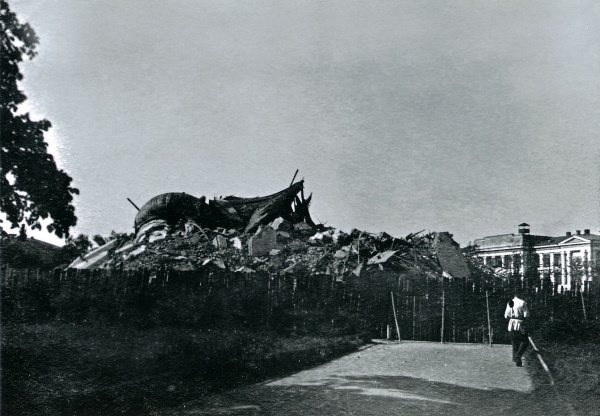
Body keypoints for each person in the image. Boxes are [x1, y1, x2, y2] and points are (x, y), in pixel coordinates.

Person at [504, 290, 530, 367]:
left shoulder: (510, 302)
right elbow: (526, 315)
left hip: (511, 323)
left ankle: (516, 360)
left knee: (515, 341)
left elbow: (506, 315)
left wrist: (512, 318)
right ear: (520, 294)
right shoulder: (522, 302)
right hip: (520, 323)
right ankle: (518, 356)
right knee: (525, 341)